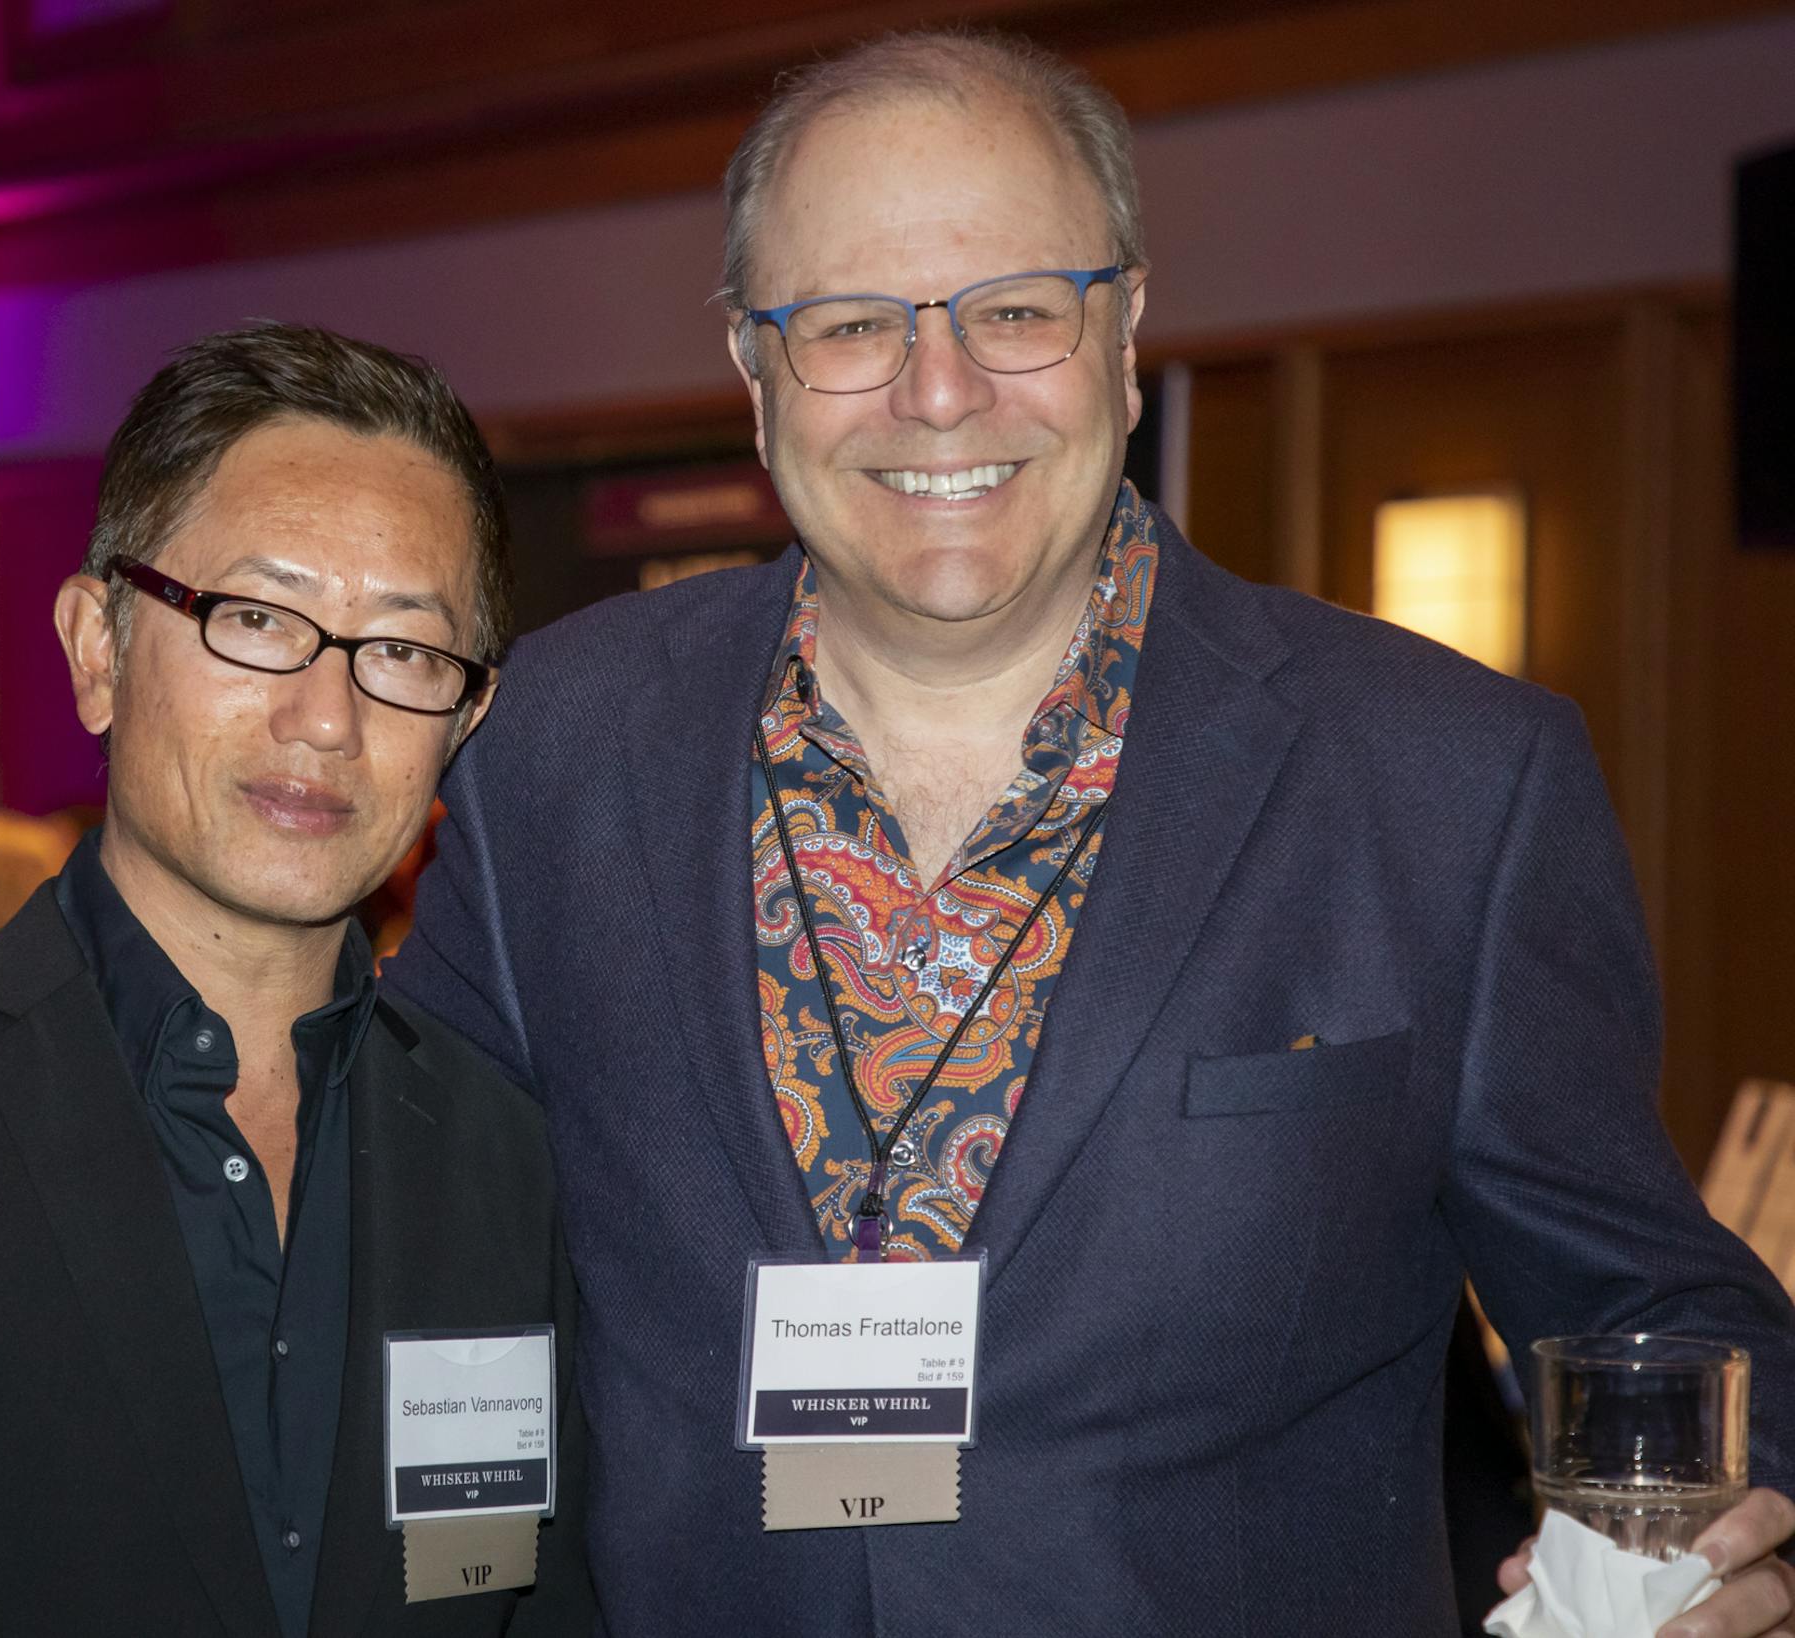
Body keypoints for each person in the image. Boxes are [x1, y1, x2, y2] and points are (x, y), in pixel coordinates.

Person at [386, 31, 1795, 1636]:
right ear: (751, 371)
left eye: (1016, 311)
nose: (939, 391)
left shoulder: (1448, 782)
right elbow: (416, 1261)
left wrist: (1722, 1543)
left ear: (1125, 339)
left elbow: (1662, 1311)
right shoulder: (551, 746)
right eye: (851, 323)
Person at [0, 323, 593, 1636]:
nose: (329, 716)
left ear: (464, 721)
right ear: (99, 646)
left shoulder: (502, 1156)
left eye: (406, 652)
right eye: (257, 619)